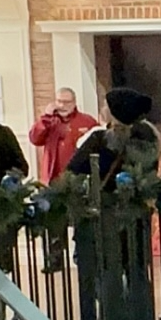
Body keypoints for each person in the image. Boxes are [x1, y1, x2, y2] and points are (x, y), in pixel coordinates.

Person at [68, 89, 158, 320]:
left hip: (106, 221)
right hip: (137, 219)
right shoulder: (148, 140)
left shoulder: (99, 140)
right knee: (137, 274)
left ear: (115, 111)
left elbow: (73, 171)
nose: (102, 108)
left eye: (106, 104)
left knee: (106, 279)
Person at [29, 88, 99, 271]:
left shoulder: (87, 121)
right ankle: (54, 259)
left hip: (78, 180)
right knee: (53, 221)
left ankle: (81, 257)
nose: (62, 106)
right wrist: (45, 118)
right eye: (59, 101)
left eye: (67, 102)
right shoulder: (49, 122)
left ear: (74, 103)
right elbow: (35, 138)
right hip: (53, 179)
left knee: (80, 220)